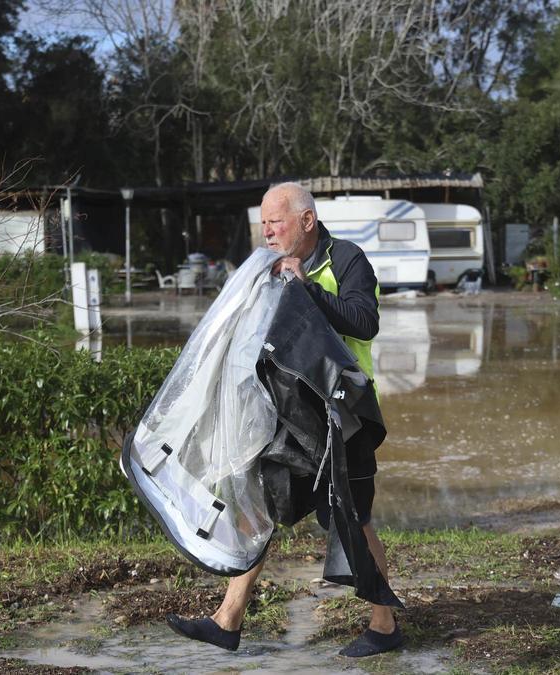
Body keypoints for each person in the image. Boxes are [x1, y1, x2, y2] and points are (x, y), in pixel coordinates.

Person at [166, 182, 402, 657]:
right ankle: (227, 620)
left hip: (344, 413)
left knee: (353, 516)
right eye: (264, 223)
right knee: (264, 506)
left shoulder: (348, 260)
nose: (267, 232)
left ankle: (385, 625)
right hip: (291, 415)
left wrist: (306, 286)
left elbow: (365, 322)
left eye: (276, 222)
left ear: (307, 222)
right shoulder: (264, 268)